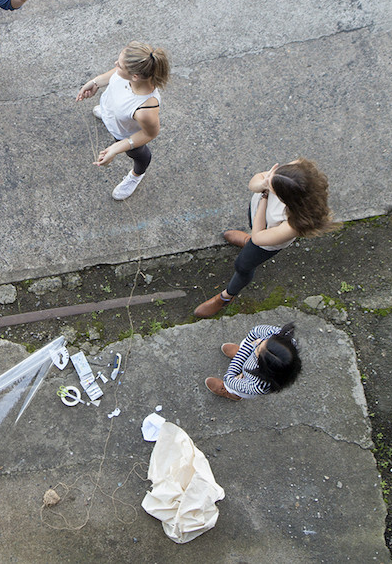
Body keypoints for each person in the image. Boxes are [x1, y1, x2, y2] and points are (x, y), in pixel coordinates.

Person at [194, 159, 338, 317]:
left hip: (264, 244)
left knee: (242, 266)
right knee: (251, 224)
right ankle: (245, 241)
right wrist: (265, 184)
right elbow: (254, 182)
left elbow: (258, 237)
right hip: (260, 222)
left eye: (272, 186)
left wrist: (264, 196)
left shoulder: (294, 224)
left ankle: (227, 296)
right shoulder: (291, 176)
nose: (269, 179)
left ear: (285, 199)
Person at [75, 41, 170, 200]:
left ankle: (136, 175)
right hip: (113, 114)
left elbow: (150, 134)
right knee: (110, 114)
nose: (115, 65)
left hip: (124, 132)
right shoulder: (129, 73)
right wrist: (96, 82)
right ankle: (107, 117)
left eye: (119, 65)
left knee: (138, 154)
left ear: (135, 76)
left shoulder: (145, 109)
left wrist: (116, 147)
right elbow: (115, 73)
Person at [205, 323, 301, 400]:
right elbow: (256, 330)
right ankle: (242, 356)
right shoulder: (286, 341)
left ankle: (232, 394)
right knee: (249, 349)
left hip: (245, 379)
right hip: (250, 362)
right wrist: (248, 349)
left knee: (234, 388)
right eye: (265, 341)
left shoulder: (257, 385)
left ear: (263, 368)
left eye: (257, 350)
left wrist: (246, 349)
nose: (258, 343)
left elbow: (229, 379)